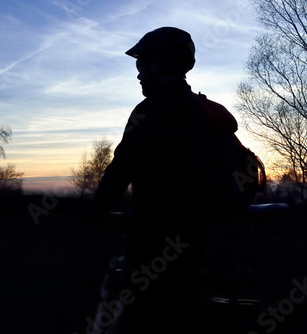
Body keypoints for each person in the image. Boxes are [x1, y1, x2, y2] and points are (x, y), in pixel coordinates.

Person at [94, 27, 239, 334]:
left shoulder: (148, 111)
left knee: (145, 318)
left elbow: (121, 170)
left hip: (151, 238)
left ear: (158, 63)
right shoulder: (200, 112)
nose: (138, 74)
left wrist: (91, 215)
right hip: (192, 238)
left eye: (141, 65)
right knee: (184, 311)